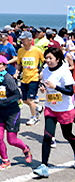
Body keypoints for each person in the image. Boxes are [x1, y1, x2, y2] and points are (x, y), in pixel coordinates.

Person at [33, 47, 75, 178]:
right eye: (46, 58)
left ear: (58, 59)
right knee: (47, 136)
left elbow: (70, 91)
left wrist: (55, 87)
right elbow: (46, 84)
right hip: (50, 108)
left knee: (67, 135)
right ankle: (44, 166)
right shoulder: (45, 70)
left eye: (50, 58)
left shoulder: (64, 72)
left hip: (64, 109)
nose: (47, 60)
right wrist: (44, 88)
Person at [0, 55, 32, 171]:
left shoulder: (8, 78)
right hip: (0, 112)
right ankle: (5, 161)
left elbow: (18, 95)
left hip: (12, 112)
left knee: (12, 140)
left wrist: (4, 101)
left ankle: (25, 149)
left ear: (5, 66)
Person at [14, 31, 45, 126]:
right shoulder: (20, 51)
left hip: (34, 78)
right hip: (24, 78)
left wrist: (42, 72)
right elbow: (19, 63)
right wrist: (16, 72)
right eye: (21, 39)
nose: (22, 41)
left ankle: (34, 117)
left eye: (24, 39)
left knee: (30, 99)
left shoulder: (37, 50)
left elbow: (44, 62)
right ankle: (38, 108)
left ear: (30, 40)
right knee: (24, 100)